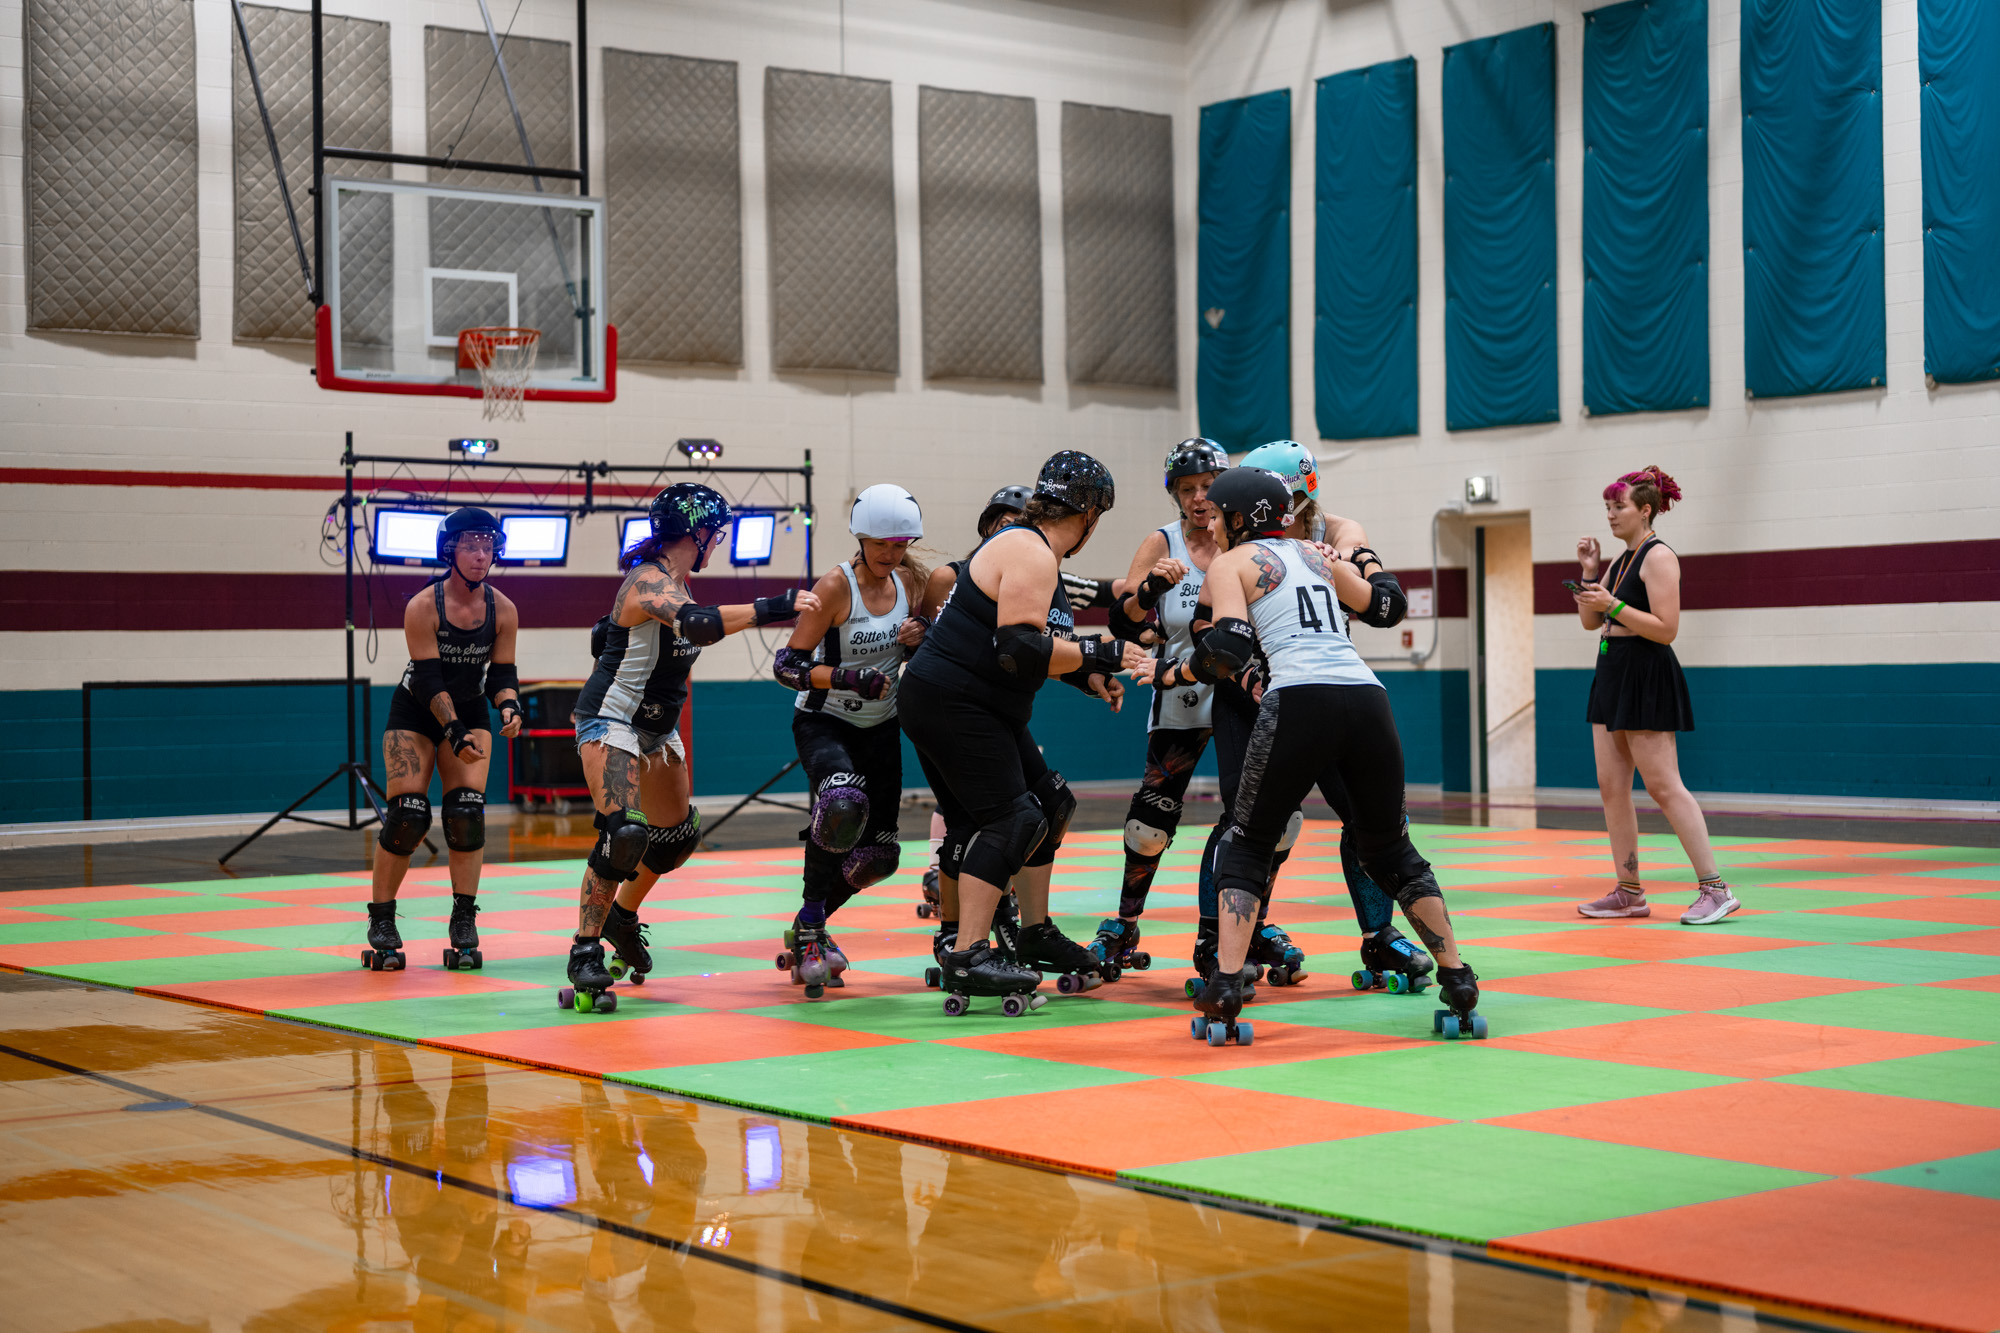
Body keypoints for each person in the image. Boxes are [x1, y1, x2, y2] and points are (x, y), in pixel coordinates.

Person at [1186, 466, 1483, 1041]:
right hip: (1368, 699)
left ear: (1242, 518)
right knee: (1391, 846)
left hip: (1299, 699)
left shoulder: (1231, 563)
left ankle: (1224, 986)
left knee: (1247, 841)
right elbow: (1385, 607)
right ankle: (1459, 979)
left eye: (1218, 516)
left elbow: (1227, 647)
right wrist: (1356, 557)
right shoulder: (1319, 557)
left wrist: (1175, 669)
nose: (1212, 526)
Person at [900, 451, 1151, 1010]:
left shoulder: (1039, 556)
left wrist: (1088, 675)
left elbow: (1034, 649)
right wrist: (1104, 651)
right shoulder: (1030, 552)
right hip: (953, 701)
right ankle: (968, 952)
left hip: (975, 703)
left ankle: (1034, 933)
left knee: (1050, 803)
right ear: (1089, 514)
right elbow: (1017, 651)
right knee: (1012, 819)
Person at [561, 483, 818, 1012]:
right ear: (698, 533)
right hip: (611, 719)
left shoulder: (672, 584)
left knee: (674, 839)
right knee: (624, 833)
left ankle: (622, 915)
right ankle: (584, 949)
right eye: (716, 535)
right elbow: (698, 626)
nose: (718, 544)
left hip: (657, 732)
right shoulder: (648, 580)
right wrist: (776, 606)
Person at [772, 484, 931, 997]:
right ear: (861, 539)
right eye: (882, 544)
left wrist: (919, 636)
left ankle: (805, 924)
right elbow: (788, 666)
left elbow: (923, 648)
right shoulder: (837, 586)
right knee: (841, 805)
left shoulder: (908, 580)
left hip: (881, 727)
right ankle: (814, 931)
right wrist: (847, 679)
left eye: (901, 544)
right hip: (826, 723)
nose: (891, 554)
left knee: (880, 857)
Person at [1089, 438, 1230, 978]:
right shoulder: (1162, 541)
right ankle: (1125, 922)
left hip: (1243, 695)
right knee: (1149, 825)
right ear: (1174, 494)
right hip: (1180, 694)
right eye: (1188, 489)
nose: (1199, 498)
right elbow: (1122, 621)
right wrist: (1149, 589)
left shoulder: (1246, 540)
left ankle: (1240, 926)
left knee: (1267, 819)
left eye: (1208, 487)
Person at [1572, 466, 1737, 925]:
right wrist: (1589, 577)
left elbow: (1667, 630)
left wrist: (1614, 605)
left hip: (1646, 672)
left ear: (1645, 510)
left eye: (1618, 506)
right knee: (1612, 788)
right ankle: (1629, 891)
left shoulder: (1658, 556)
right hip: (1612, 672)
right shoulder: (1620, 560)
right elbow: (1593, 623)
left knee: (1664, 786)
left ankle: (1715, 888)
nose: (1610, 514)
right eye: (1606, 506)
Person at [366, 506, 522, 972]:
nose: (480, 554)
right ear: (449, 550)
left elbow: (503, 673)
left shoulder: (504, 609)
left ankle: (463, 918)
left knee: (466, 814)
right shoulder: (421, 605)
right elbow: (431, 682)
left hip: (471, 707)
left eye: (488, 545)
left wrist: (509, 705)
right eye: (470, 545)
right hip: (417, 709)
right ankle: (383, 919)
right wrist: (452, 732)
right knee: (408, 816)